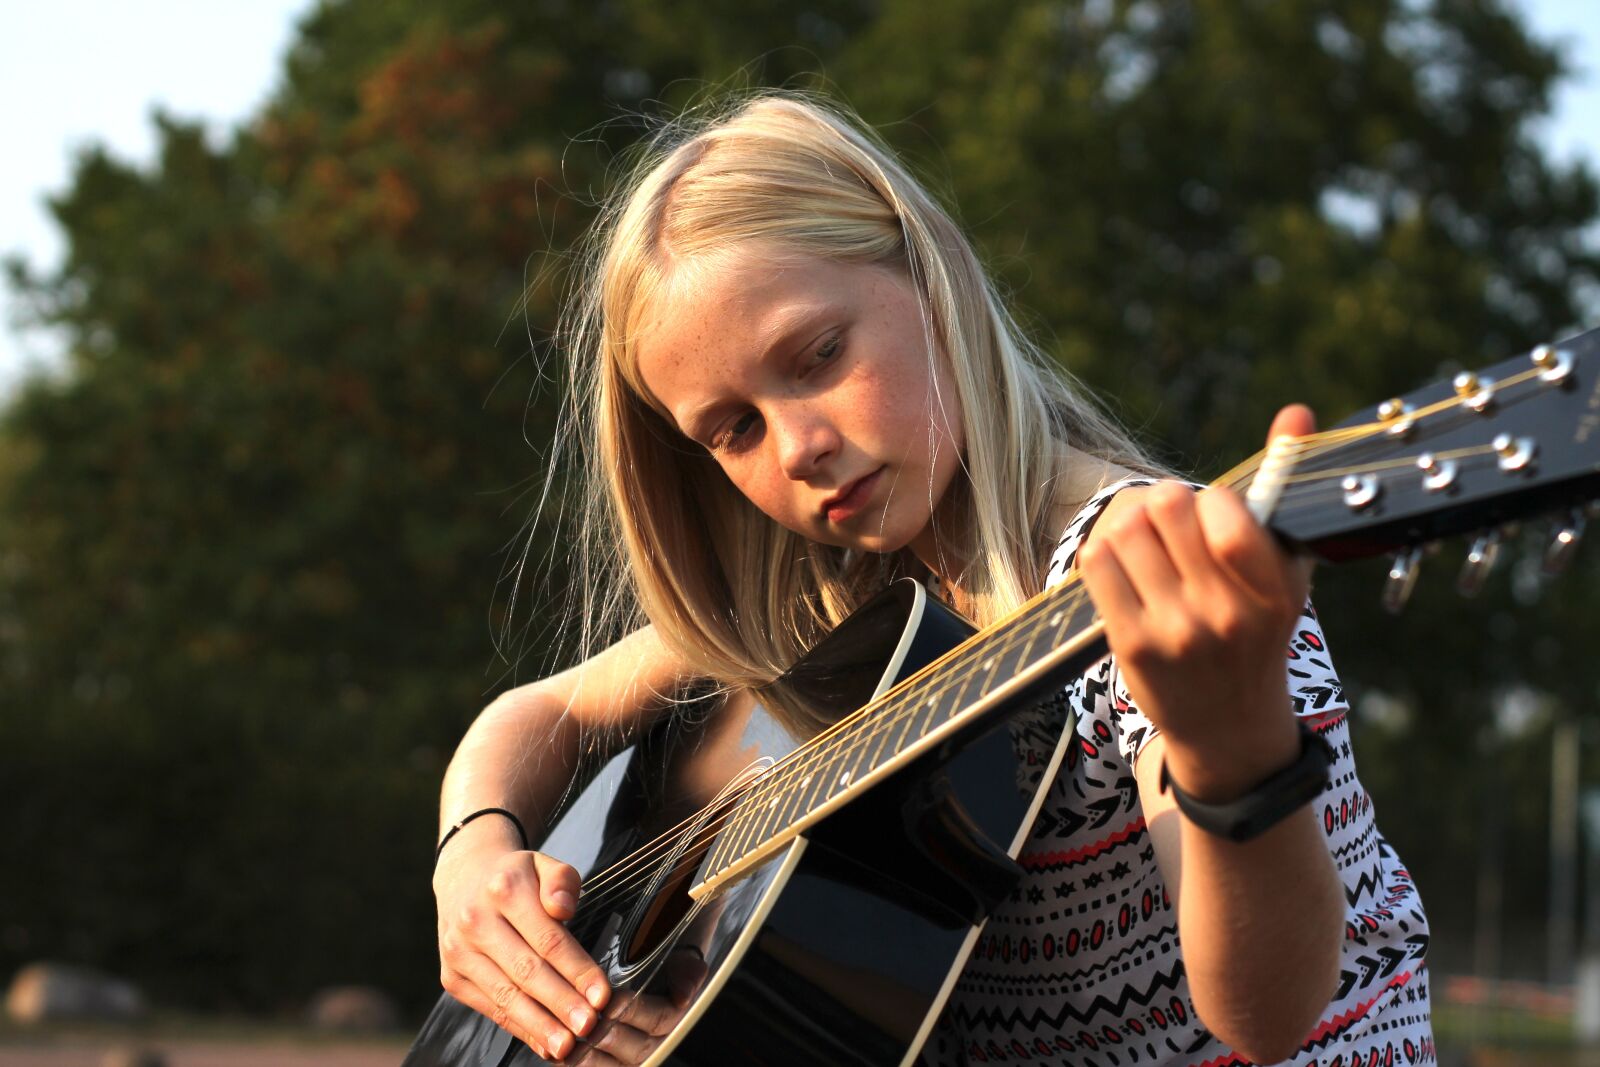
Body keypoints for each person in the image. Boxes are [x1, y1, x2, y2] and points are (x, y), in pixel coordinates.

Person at [430, 92, 1432, 1065]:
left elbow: (1269, 1010)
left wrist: (1233, 750)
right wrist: (472, 856)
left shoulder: (1150, 574)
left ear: (932, 268)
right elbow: (534, 713)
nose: (800, 446)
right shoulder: (824, 606)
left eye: (819, 354)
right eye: (734, 427)